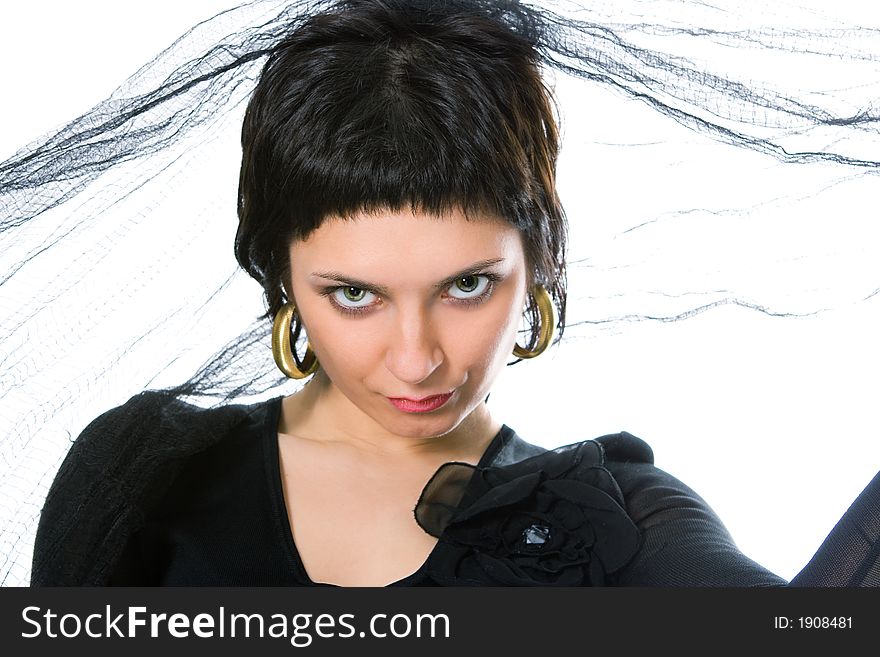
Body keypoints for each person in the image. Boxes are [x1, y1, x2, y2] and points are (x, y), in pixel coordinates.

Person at [3, 0, 878, 586]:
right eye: (354, 294)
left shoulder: (614, 517)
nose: (419, 357)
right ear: (282, 276)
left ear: (535, 264)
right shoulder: (140, 475)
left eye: (466, 285)